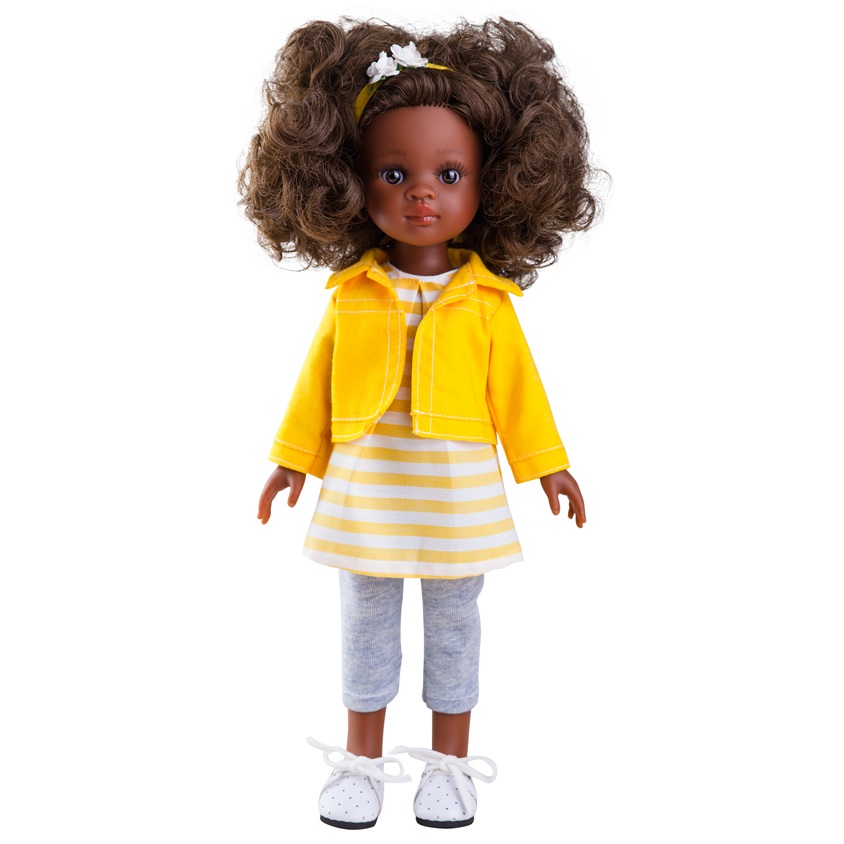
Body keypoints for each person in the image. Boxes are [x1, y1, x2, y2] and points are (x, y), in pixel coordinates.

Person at [239, 17, 600, 829]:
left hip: (456, 495)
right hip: (368, 488)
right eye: (394, 172)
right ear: (348, 181)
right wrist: (292, 460)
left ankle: (448, 764)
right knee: (364, 626)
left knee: (455, 627)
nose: (422, 192)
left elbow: (519, 393)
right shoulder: (352, 296)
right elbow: (315, 386)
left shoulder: (487, 304)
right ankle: (361, 763)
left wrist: (549, 465)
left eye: (449, 173)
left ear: (494, 183)